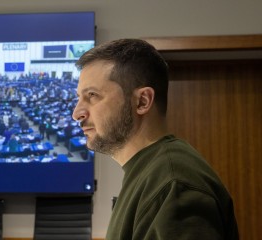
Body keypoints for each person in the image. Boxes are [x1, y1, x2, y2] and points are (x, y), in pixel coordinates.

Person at [72, 39, 239, 240]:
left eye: (92, 95)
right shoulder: (151, 171)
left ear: (142, 101)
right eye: (79, 98)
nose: (77, 113)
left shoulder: (173, 184)